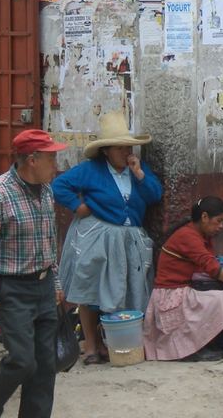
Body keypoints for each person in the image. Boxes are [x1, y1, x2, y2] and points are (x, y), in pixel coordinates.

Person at [0, 128, 66, 418]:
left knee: (45, 365)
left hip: (44, 285)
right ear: (32, 160)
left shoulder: (47, 191)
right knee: (22, 361)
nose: (56, 164)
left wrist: (55, 280)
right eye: (51, 158)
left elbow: (49, 241)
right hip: (12, 288)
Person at [51, 111, 162, 365]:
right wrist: (78, 206)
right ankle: (91, 346)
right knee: (92, 290)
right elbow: (59, 186)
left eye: (129, 147)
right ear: (107, 151)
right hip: (97, 236)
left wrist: (140, 175)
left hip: (129, 238)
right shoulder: (92, 170)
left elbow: (155, 195)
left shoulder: (138, 169)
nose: (126, 152)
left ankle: (114, 343)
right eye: (120, 148)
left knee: (126, 289)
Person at [143, 196, 223, 362]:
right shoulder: (188, 236)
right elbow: (212, 267)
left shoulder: (201, 236)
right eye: (218, 221)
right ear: (204, 217)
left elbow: (209, 264)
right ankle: (202, 347)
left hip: (183, 290)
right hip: (171, 295)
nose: (221, 227)